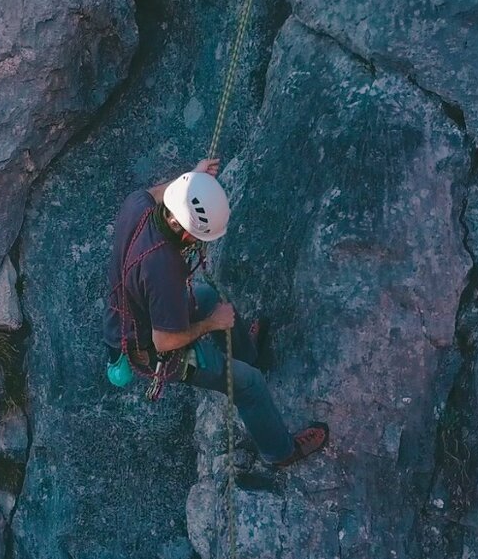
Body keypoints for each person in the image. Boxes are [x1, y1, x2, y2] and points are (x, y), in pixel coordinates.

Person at [104, 157, 328, 468]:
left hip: (131, 312)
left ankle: (248, 354)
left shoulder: (137, 206)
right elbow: (164, 342)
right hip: (153, 349)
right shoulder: (163, 267)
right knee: (249, 384)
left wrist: (191, 180)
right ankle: (280, 452)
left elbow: (158, 192)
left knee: (207, 295)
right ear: (184, 232)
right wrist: (212, 323)